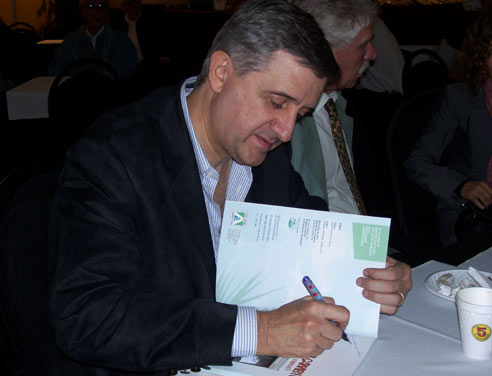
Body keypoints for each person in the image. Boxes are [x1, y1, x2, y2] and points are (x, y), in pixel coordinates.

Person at [48, 1, 412, 374]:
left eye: (300, 114)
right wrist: (262, 331)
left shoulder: (265, 154)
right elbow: (87, 318)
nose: (286, 132)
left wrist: (371, 272)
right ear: (221, 72)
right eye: (276, 102)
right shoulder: (114, 157)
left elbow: (314, 230)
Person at [405, 8, 492, 247]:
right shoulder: (460, 98)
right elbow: (417, 161)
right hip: (473, 218)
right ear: (481, 57)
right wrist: (461, 186)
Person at [290, 0, 377, 215]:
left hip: (360, 237)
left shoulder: (340, 108)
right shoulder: (287, 124)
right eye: (362, 46)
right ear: (327, 52)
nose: (372, 55)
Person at [49, 0, 137, 77]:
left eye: (100, 6)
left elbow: (131, 72)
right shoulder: (71, 40)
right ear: (83, 11)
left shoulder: (121, 40)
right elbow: (56, 69)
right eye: (90, 6)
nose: (96, 11)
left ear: (106, 11)